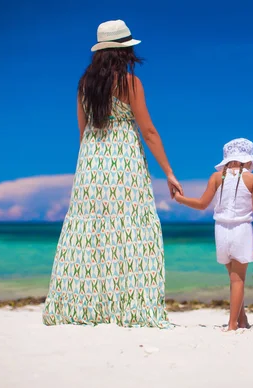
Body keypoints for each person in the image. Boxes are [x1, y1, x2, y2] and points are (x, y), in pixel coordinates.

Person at [42, 20, 182, 328]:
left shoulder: (84, 84)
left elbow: (83, 132)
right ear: (125, 51)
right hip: (123, 160)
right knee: (131, 229)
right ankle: (129, 307)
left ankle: (85, 306)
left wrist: (90, 167)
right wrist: (169, 172)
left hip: (91, 162)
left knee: (89, 233)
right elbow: (148, 131)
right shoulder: (131, 83)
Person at [174, 138, 253, 331]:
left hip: (220, 231)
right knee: (238, 279)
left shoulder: (216, 177)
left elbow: (201, 204)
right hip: (242, 230)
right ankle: (232, 325)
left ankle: (242, 320)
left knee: (233, 277)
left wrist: (180, 199)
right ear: (247, 160)